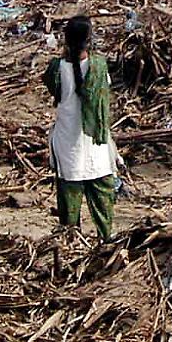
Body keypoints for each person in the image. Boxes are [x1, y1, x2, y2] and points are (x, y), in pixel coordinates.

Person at [45, 16, 117, 241]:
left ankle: (70, 242)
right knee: (103, 194)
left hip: (67, 143)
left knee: (69, 196)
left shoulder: (57, 68)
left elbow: (52, 88)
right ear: (89, 40)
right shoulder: (99, 66)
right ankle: (106, 240)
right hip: (95, 141)